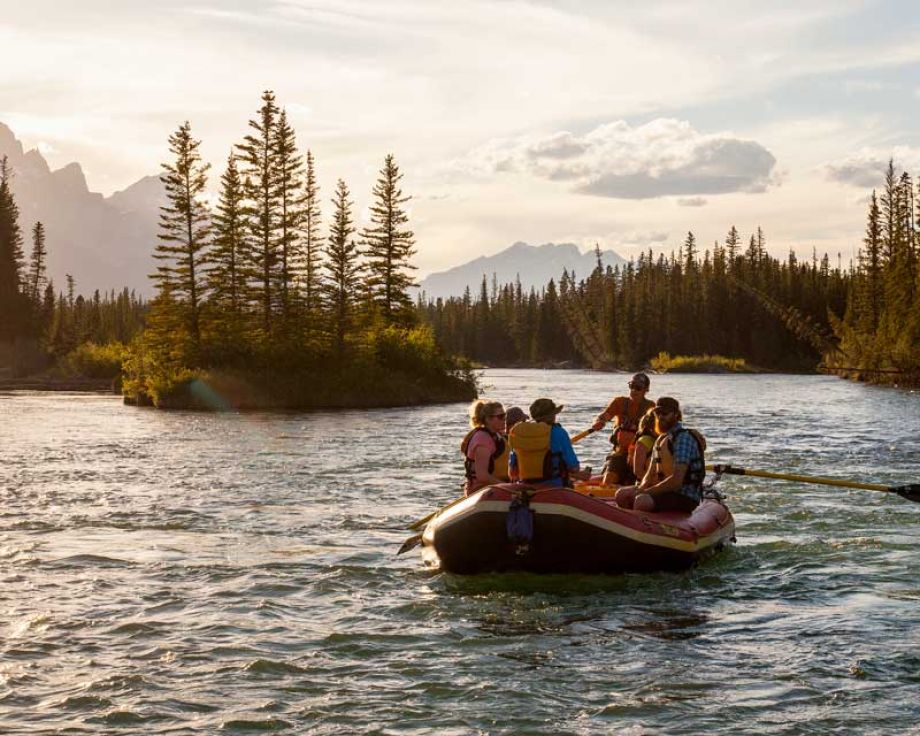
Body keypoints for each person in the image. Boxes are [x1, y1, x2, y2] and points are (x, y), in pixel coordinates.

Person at [615, 397, 707, 513]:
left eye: (665, 413)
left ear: (676, 415)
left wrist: (647, 492)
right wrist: (641, 488)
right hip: (664, 491)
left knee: (642, 501)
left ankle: (643, 527)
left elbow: (676, 481)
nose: (660, 417)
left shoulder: (683, 438)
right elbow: (649, 476)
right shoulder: (661, 439)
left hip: (684, 495)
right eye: (657, 413)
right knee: (622, 495)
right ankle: (625, 527)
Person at [509, 398, 591, 487]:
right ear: (552, 416)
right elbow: (574, 468)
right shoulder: (559, 432)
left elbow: (512, 472)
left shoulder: (520, 433)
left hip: (525, 486)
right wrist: (579, 474)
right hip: (553, 487)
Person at [592, 373, 655, 486]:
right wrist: (599, 421)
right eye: (631, 386)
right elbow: (605, 416)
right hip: (619, 453)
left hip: (639, 455)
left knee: (636, 480)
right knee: (609, 479)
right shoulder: (619, 402)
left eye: (638, 388)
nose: (634, 390)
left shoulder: (651, 407)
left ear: (646, 390)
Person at [461, 399, 510, 495]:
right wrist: (508, 486)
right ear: (488, 419)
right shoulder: (482, 439)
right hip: (480, 489)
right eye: (500, 417)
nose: (504, 420)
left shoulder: (497, 435)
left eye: (505, 416)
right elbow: (482, 476)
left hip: (497, 487)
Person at [630, 408, 659, 482]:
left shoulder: (668, 438)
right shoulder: (644, 441)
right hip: (647, 485)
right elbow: (638, 471)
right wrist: (657, 483)